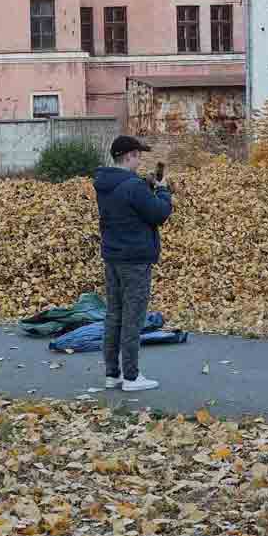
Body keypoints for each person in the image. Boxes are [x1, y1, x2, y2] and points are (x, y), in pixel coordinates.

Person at [93, 136, 172, 391]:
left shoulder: (104, 183)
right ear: (128, 156)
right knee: (133, 318)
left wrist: (146, 187)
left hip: (113, 257)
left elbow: (130, 206)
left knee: (114, 314)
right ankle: (131, 376)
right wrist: (162, 190)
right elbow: (159, 213)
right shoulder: (133, 186)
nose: (140, 160)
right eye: (138, 155)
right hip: (135, 260)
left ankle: (112, 373)